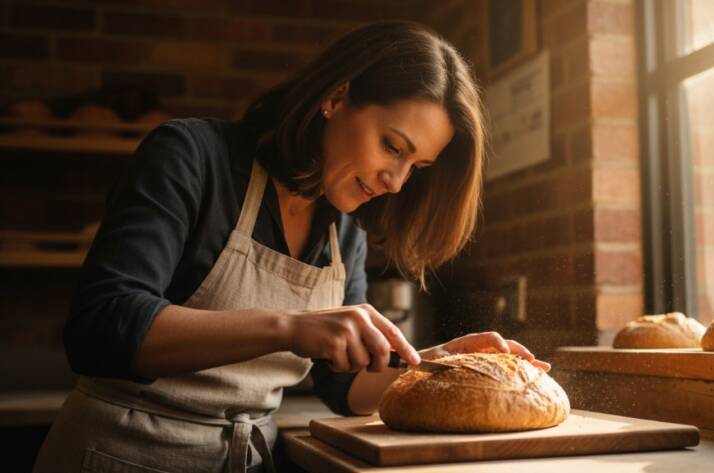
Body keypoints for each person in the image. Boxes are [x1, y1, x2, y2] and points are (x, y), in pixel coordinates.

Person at [34, 20, 551, 473]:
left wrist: (436, 365)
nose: (396, 182)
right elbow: (101, 327)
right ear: (335, 97)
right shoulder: (192, 158)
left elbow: (345, 388)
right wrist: (288, 328)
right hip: (118, 454)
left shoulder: (341, 229)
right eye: (392, 146)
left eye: (416, 168)